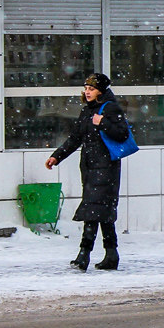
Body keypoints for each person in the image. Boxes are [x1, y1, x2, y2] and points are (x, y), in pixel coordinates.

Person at [46, 73, 132, 271]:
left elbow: (122, 134)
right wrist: (57, 156)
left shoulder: (111, 108)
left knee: (93, 210)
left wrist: (102, 122)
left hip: (106, 169)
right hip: (90, 168)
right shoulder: (87, 111)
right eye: (86, 88)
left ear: (101, 90)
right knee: (103, 212)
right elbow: (76, 138)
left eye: (91, 88)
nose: (87, 91)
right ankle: (112, 254)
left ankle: (84, 254)